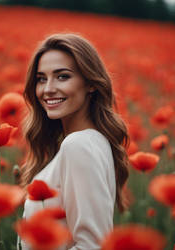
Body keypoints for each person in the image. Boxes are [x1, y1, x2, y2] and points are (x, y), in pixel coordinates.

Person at [19, 33, 129, 250]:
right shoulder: (94, 142)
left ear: (90, 83)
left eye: (62, 76)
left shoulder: (78, 145)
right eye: (41, 78)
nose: (48, 89)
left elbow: (92, 245)